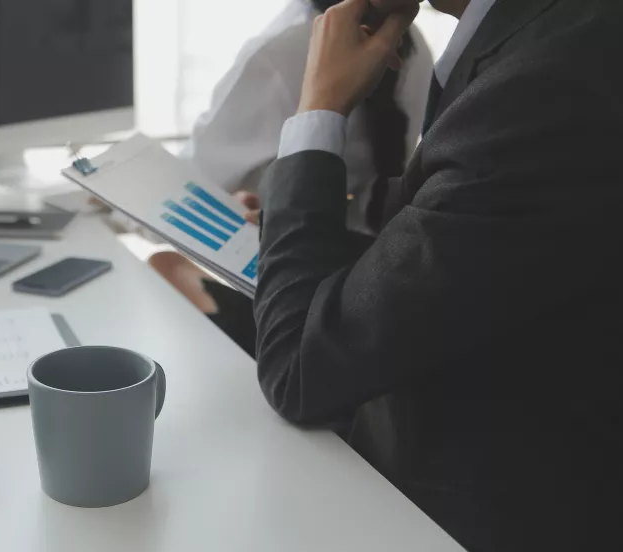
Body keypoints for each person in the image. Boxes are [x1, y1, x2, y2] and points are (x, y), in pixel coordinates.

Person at [254, 0, 623, 550]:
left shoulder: (550, 76)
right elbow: (469, 236)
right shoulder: (543, 32)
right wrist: (304, 217)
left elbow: (297, 368)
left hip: (465, 511)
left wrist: (319, 108)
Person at [148, 0, 433, 356]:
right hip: (377, 272)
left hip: (307, 303)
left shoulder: (282, 51)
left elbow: (185, 189)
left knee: (163, 264)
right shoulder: (415, 45)